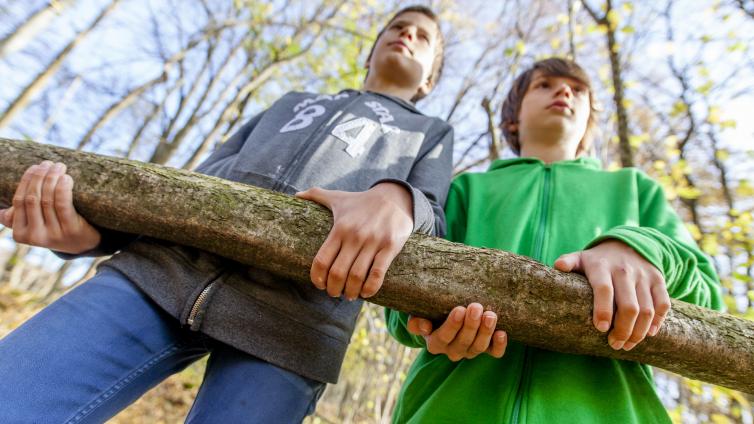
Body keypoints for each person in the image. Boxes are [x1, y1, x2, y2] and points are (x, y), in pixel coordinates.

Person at [0, 6, 453, 423]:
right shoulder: (290, 101)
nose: (407, 34)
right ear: (370, 51)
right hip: (158, 273)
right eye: (396, 26)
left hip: (295, 329)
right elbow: (188, 186)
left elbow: (430, 217)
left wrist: (397, 198)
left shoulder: (430, 133)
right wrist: (94, 236)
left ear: (429, 80)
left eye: (422, 36)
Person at [386, 57, 723, 423]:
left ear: (588, 126)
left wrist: (642, 248)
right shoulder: (465, 189)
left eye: (578, 90)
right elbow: (401, 294)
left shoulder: (635, 190)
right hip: (445, 410)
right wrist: (424, 325)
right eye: (544, 85)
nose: (564, 91)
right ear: (513, 118)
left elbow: (706, 295)